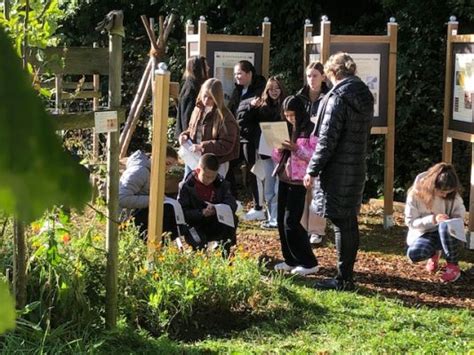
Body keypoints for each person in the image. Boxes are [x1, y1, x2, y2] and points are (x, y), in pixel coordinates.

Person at [304, 52, 374, 291]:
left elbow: (327, 140)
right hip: (354, 165)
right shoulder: (363, 94)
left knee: (340, 223)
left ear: (332, 73)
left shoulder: (337, 97)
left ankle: (343, 279)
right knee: (348, 221)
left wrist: (312, 169)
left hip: (336, 169)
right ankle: (346, 276)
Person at [272, 96, 319, 276]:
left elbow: (315, 155)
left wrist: (296, 149)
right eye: (287, 115)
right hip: (284, 177)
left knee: (291, 221)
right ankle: (290, 259)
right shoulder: (286, 128)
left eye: (292, 115)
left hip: (300, 179)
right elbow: (276, 156)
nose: (290, 118)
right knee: (280, 221)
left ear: (300, 112)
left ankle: (309, 261)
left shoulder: (311, 129)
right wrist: (279, 148)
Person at [237, 76, 286, 227]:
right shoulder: (261, 105)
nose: (274, 92)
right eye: (271, 89)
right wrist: (250, 107)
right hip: (266, 150)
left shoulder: (286, 104)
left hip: (283, 150)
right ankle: (271, 216)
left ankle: (278, 216)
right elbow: (242, 119)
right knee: (269, 185)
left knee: (280, 184)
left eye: (277, 88)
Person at [405, 162, 465, 283]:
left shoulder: (453, 196)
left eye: (448, 192)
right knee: (415, 254)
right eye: (442, 191)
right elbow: (410, 222)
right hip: (425, 233)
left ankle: (453, 266)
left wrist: (451, 219)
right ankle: (434, 254)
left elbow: (460, 216)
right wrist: (433, 219)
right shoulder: (415, 194)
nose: (445, 195)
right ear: (433, 185)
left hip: (449, 233)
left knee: (444, 226)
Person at [178, 153, 238, 256]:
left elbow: (232, 203)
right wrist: (201, 213)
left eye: (212, 177)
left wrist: (217, 209)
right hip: (193, 224)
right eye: (206, 176)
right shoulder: (186, 186)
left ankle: (224, 253)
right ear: (198, 170)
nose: (209, 180)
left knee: (232, 218)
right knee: (199, 244)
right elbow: (182, 212)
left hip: (214, 221)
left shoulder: (221, 183)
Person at [119, 146, 183, 241]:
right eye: (167, 164)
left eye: (171, 166)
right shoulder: (139, 171)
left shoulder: (152, 171)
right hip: (127, 220)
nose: (167, 169)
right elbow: (121, 198)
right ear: (155, 158)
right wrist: (154, 200)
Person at [179, 78, 240, 178]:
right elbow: (191, 129)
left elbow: (226, 145)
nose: (206, 100)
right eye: (205, 96)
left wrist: (202, 147)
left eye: (211, 98)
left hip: (215, 163)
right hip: (193, 157)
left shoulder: (225, 116)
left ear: (217, 98)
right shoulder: (198, 109)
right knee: (188, 186)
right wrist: (185, 135)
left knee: (210, 191)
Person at [296, 61, 329, 244]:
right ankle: (301, 227)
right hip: (301, 146)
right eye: (309, 75)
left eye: (315, 75)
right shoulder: (300, 97)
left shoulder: (329, 97)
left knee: (317, 188)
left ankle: (316, 229)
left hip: (319, 146)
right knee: (302, 188)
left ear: (323, 77)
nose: (311, 79)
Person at [226, 60, 267, 203]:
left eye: (239, 74)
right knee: (227, 164)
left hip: (251, 137)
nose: (237, 77)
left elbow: (250, 113)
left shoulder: (260, 89)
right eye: (235, 74)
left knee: (253, 169)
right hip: (238, 135)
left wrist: (247, 107)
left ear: (249, 74)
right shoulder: (237, 90)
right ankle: (233, 198)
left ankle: (258, 205)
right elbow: (233, 111)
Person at [175, 56, 209, 138]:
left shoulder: (192, 86)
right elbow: (187, 117)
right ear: (198, 68)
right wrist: (188, 135)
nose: (208, 68)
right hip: (190, 136)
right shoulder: (191, 89)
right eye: (205, 65)